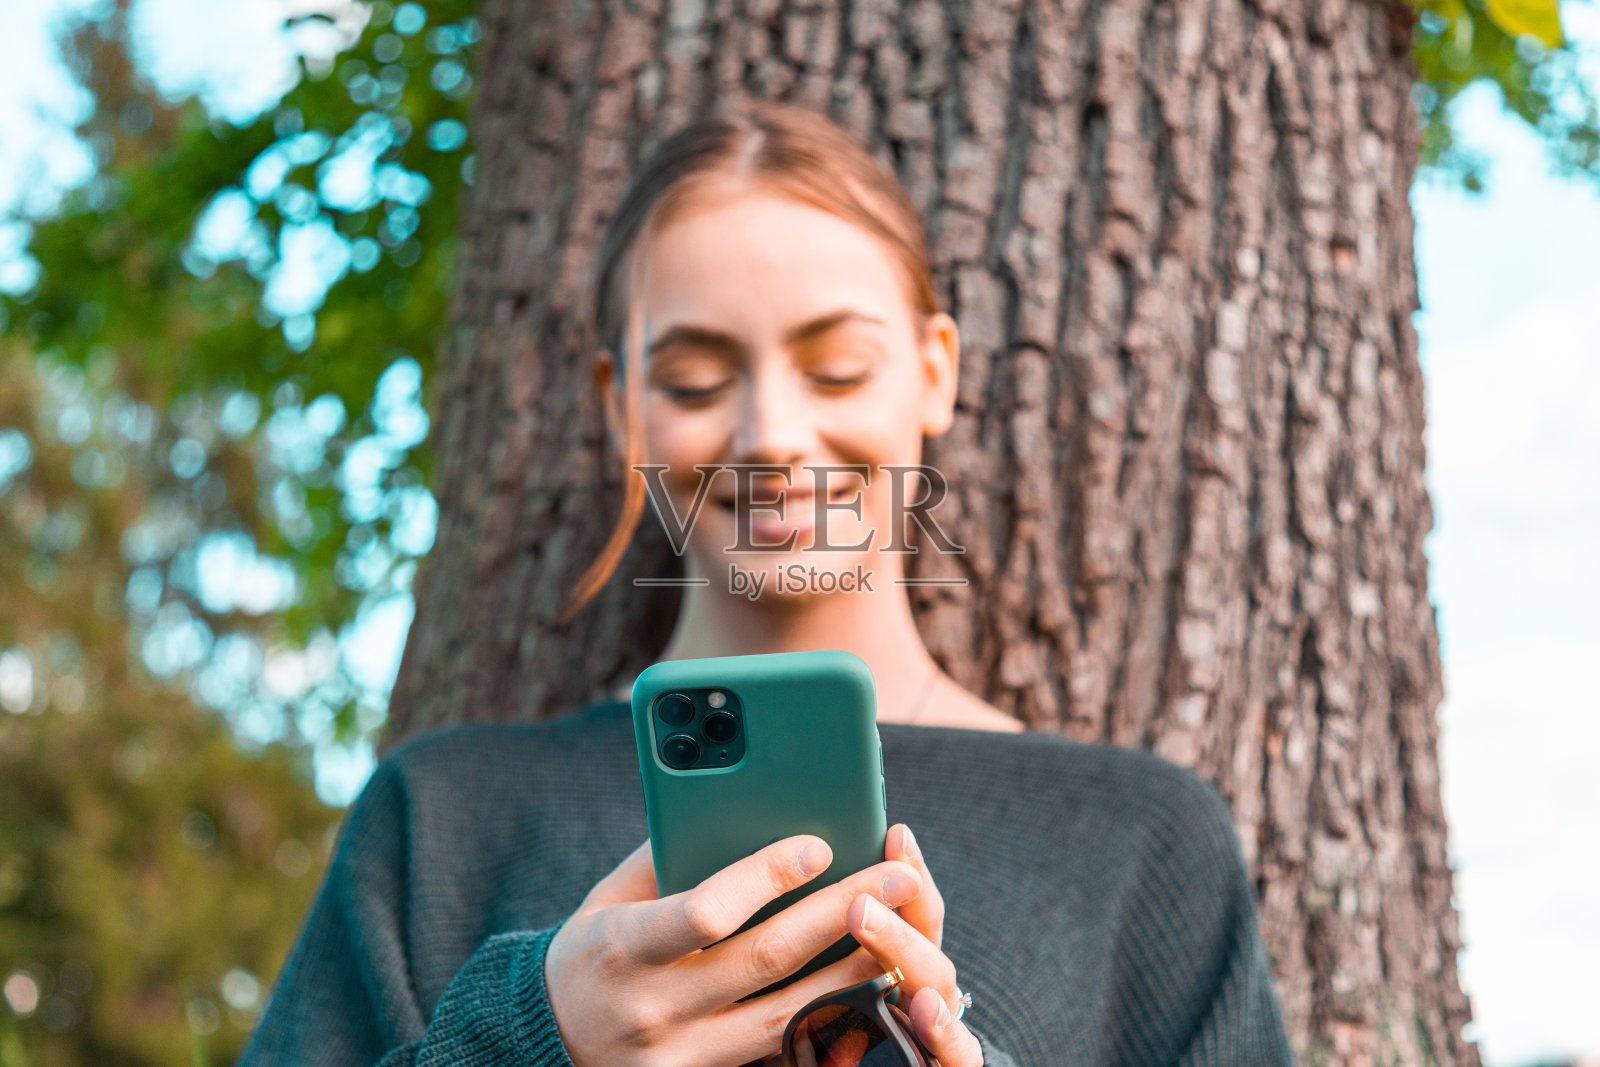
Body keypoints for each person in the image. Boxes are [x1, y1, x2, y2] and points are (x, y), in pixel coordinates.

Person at [240, 100, 1296, 1067]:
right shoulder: (443, 817)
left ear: (935, 371)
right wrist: (531, 1039)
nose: (771, 438)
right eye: (695, 380)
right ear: (620, 404)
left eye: (837, 368)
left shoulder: (1141, 840)